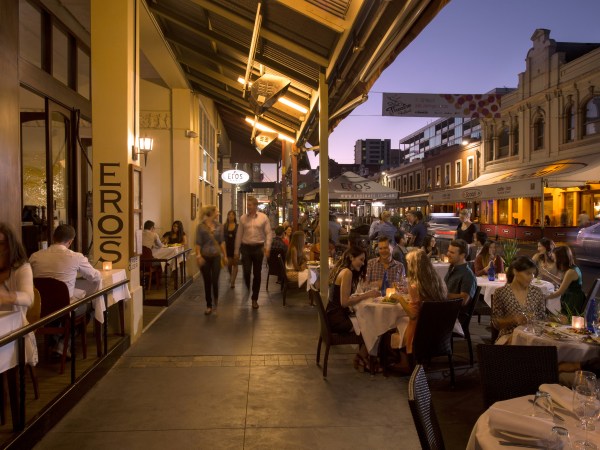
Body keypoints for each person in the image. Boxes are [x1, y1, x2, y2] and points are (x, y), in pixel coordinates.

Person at [29, 224, 101, 354]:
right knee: (91, 305)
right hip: (64, 308)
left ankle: (55, 342)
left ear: (53, 237)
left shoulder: (35, 256)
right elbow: (95, 276)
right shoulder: (75, 257)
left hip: (40, 307)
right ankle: (63, 343)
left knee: (57, 307)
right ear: (71, 241)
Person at [389, 249, 448, 368]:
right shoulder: (438, 281)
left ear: (412, 266)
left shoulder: (415, 285)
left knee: (398, 322)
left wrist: (399, 298)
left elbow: (413, 314)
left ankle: (405, 362)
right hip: (438, 325)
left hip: (420, 327)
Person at [325, 247, 379, 372]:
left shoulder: (340, 270)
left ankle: (362, 357)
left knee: (369, 323)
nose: (363, 263)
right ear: (351, 258)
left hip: (332, 316)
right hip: (338, 321)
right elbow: (344, 303)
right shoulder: (347, 273)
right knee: (374, 327)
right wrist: (367, 295)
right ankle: (363, 358)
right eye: (361, 259)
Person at [0, 223, 38, 365]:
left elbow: (29, 298)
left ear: (10, 245)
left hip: (15, 328)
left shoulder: (22, 268)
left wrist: (7, 297)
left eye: (1, 244)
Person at [492, 256, 546, 345]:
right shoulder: (502, 292)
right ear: (515, 271)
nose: (531, 277)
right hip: (508, 335)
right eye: (528, 273)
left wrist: (555, 319)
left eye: (533, 274)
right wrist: (513, 319)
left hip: (533, 336)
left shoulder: (536, 292)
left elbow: (542, 318)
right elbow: (496, 323)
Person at [234, 196, 273, 309]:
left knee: (257, 274)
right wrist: (236, 251)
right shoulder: (242, 218)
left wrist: (267, 247)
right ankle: (247, 286)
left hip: (258, 248)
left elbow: (269, 233)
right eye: (247, 205)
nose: (248, 207)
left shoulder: (263, 218)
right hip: (245, 248)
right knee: (246, 271)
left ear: (255, 206)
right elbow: (239, 235)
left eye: (250, 205)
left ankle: (254, 298)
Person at [195, 205, 227, 315]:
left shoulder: (219, 226)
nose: (218, 213)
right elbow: (198, 243)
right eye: (217, 212)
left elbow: (222, 242)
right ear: (211, 213)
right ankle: (209, 305)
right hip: (204, 256)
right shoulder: (201, 227)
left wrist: (225, 255)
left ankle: (216, 303)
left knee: (215, 280)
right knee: (207, 281)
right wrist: (198, 256)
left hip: (216, 256)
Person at [545, 245, 586, 315]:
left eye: (555, 258)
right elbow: (562, 282)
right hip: (574, 296)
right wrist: (547, 273)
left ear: (560, 258)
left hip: (573, 300)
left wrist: (543, 297)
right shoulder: (573, 268)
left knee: (550, 310)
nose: (554, 260)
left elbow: (559, 292)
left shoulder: (570, 272)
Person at [444, 239, 477, 306]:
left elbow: (464, 300)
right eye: (448, 251)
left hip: (454, 313)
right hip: (445, 307)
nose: (448, 254)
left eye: (452, 252)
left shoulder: (467, 274)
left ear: (462, 255)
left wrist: (442, 295)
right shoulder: (452, 267)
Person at [224, 210, 239, 289]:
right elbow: (223, 238)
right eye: (229, 215)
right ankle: (231, 275)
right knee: (229, 264)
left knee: (235, 264)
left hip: (235, 247)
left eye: (232, 215)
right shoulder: (224, 226)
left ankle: (233, 282)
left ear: (234, 216)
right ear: (227, 216)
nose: (230, 216)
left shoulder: (237, 226)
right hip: (227, 247)